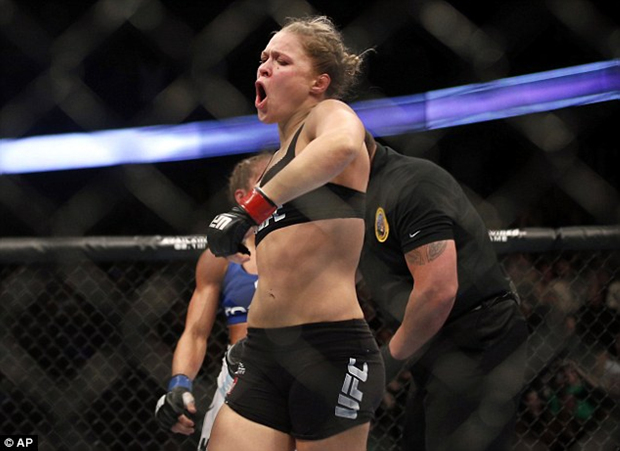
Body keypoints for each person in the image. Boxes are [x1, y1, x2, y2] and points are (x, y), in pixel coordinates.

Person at [205, 15, 384, 451]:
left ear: (318, 83)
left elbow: (343, 145)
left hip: (328, 348)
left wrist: (251, 210)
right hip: (262, 352)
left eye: (281, 61)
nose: (264, 67)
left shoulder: (328, 114)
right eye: (263, 58)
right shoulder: (280, 160)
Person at [358, 134, 529, 451]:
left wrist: (388, 361)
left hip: (477, 336)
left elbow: (438, 291)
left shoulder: (410, 183)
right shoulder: (359, 199)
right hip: (433, 345)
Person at [155, 153, 271, 450]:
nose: (280, 185)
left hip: (302, 365)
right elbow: (195, 332)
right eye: (267, 179)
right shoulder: (218, 259)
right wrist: (179, 385)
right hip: (241, 374)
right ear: (243, 198)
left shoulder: (311, 244)